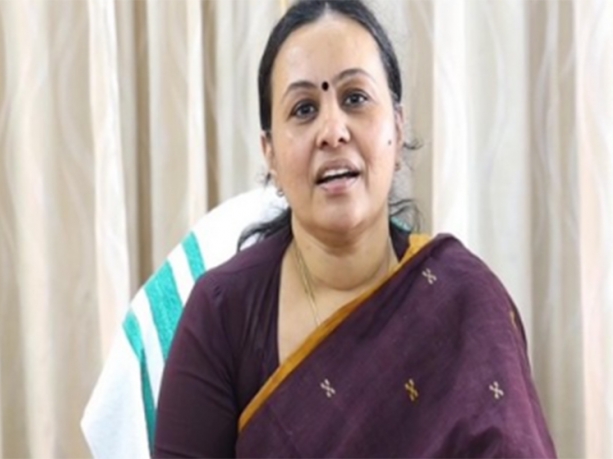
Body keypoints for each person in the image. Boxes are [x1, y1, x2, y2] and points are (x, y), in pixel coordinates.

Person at [154, 0, 557, 457]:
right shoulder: (222, 316)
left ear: (398, 129)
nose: (333, 130)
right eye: (304, 109)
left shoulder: (465, 299)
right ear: (270, 155)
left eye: (355, 99)